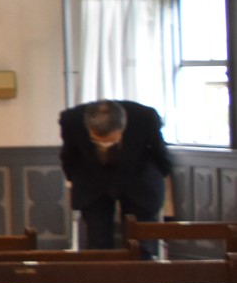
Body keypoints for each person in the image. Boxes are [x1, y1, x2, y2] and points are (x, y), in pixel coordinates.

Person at [59, 98, 172, 253]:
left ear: (122, 128)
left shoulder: (145, 117)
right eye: (97, 141)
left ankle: (140, 267)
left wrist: (161, 175)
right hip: (92, 181)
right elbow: (68, 157)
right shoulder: (71, 120)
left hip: (138, 180)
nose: (105, 145)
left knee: (140, 243)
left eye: (111, 141)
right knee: (98, 245)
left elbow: (160, 153)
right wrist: (73, 179)